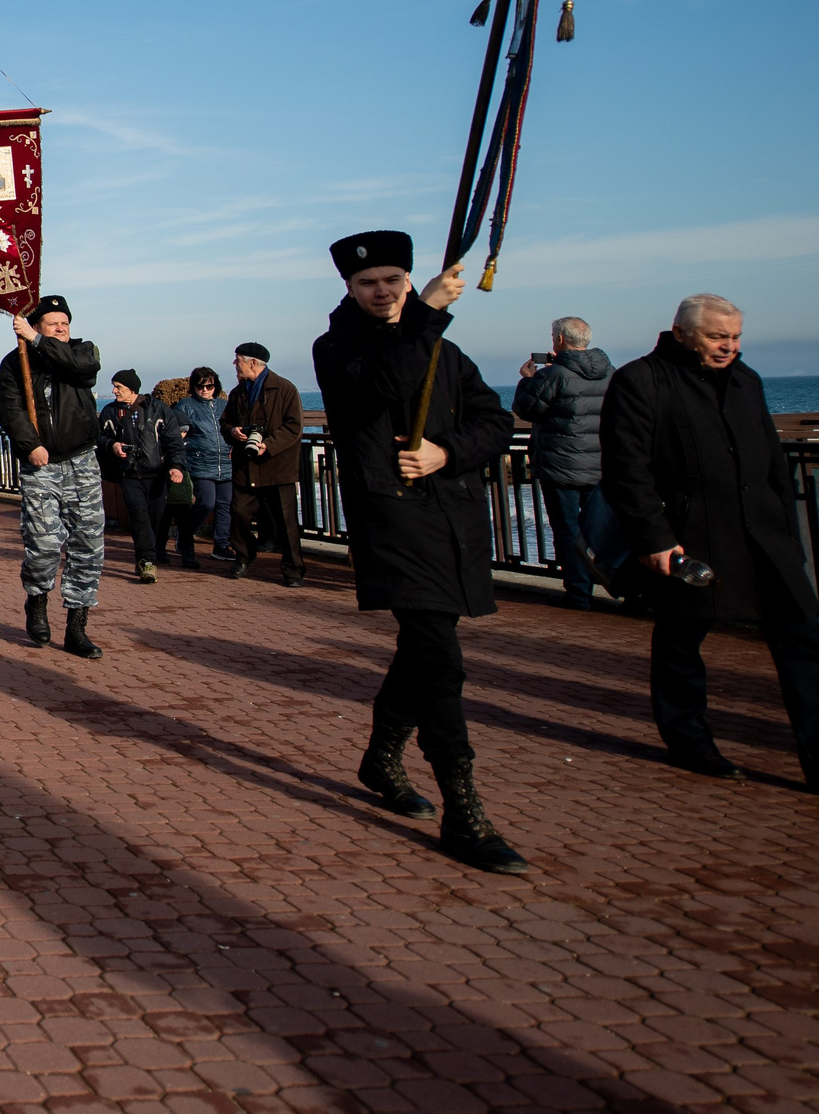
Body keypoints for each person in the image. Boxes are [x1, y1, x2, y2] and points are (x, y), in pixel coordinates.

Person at [312, 230, 526, 875]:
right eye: (368, 283)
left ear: (406, 281)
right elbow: (383, 381)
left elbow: (496, 422)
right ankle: (465, 810)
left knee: (424, 645)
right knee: (439, 658)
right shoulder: (337, 347)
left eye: (393, 282)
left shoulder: (447, 351)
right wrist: (427, 313)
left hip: (452, 519)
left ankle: (381, 757)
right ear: (349, 289)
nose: (382, 292)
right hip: (393, 519)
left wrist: (446, 452)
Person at [601, 294, 818, 788]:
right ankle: (690, 742)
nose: (730, 347)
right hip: (688, 538)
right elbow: (627, 471)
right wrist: (654, 538)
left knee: (805, 639)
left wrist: (789, 534)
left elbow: (771, 466)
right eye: (718, 337)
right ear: (681, 332)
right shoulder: (641, 380)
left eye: (736, 336)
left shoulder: (747, 380)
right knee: (681, 642)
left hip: (763, 537)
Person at [0, 296, 108, 658]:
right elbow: (10, 410)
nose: (61, 327)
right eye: (52, 323)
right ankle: (37, 598)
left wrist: (39, 341)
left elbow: (82, 370)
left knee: (87, 545)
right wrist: (30, 445)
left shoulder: (82, 351)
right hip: (41, 465)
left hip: (82, 461)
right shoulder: (15, 362)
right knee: (43, 545)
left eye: (64, 322)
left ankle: (77, 626)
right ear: (35, 324)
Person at [516, 318, 614, 609]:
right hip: (599, 465)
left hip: (561, 467)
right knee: (600, 530)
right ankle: (615, 586)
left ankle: (579, 594)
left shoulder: (554, 374)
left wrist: (528, 379)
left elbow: (526, 409)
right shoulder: (610, 372)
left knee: (569, 530)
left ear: (559, 340)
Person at [222, 342, 306, 586]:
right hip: (245, 466)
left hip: (277, 467)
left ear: (252, 363)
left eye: (236, 359)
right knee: (238, 513)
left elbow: (294, 427)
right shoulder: (238, 393)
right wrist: (233, 431)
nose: (234, 364)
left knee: (286, 522)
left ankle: (293, 570)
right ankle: (243, 557)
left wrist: (269, 444)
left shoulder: (285, 389)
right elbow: (225, 422)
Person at [98, 369, 185, 582]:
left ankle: (148, 555)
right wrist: (112, 445)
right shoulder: (110, 412)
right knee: (139, 516)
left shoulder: (158, 410)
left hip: (156, 474)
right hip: (129, 474)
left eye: (118, 387)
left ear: (132, 389)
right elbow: (98, 438)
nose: (114, 391)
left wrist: (176, 466)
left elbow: (173, 440)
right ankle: (148, 561)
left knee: (156, 516)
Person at [169, 366, 230, 571]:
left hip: (226, 463)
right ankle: (185, 537)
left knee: (226, 505)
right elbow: (178, 434)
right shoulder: (185, 406)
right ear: (193, 386)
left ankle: (221, 545)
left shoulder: (224, 405)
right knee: (206, 502)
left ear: (216, 386)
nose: (205, 390)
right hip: (200, 463)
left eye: (209, 386)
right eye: (200, 386)